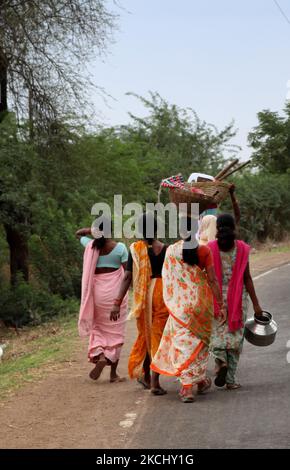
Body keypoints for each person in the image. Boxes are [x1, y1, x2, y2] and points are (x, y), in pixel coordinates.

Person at [150, 216, 226, 403]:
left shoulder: (172, 251)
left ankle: (187, 388)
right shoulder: (204, 250)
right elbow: (212, 280)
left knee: (183, 345)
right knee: (198, 345)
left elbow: (167, 278)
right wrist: (221, 304)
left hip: (180, 307)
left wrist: (173, 301)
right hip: (200, 304)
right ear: (196, 230)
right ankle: (198, 382)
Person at [110, 213, 169, 394]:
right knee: (157, 338)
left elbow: (127, 277)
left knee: (146, 336)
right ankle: (154, 382)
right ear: (157, 229)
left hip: (143, 298)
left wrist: (117, 302)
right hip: (162, 296)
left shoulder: (135, 249)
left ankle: (146, 375)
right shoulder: (166, 249)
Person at [208, 214, 263, 390]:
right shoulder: (242, 249)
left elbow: (206, 278)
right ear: (234, 228)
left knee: (217, 335)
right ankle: (230, 380)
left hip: (215, 300)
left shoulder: (209, 248)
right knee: (234, 338)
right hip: (237, 300)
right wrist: (256, 304)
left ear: (217, 229)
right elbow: (247, 278)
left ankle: (220, 361)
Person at [76, 220, 128, 382]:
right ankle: (113, 374)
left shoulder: (91, 246)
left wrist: (90, 231)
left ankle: (100, 355)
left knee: (98, 327)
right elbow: (127, 274)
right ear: (110, 230)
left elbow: (78, 234)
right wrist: (117, 303)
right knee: (116, 331)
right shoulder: (120, 248)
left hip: (97, 294)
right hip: (115, 293)